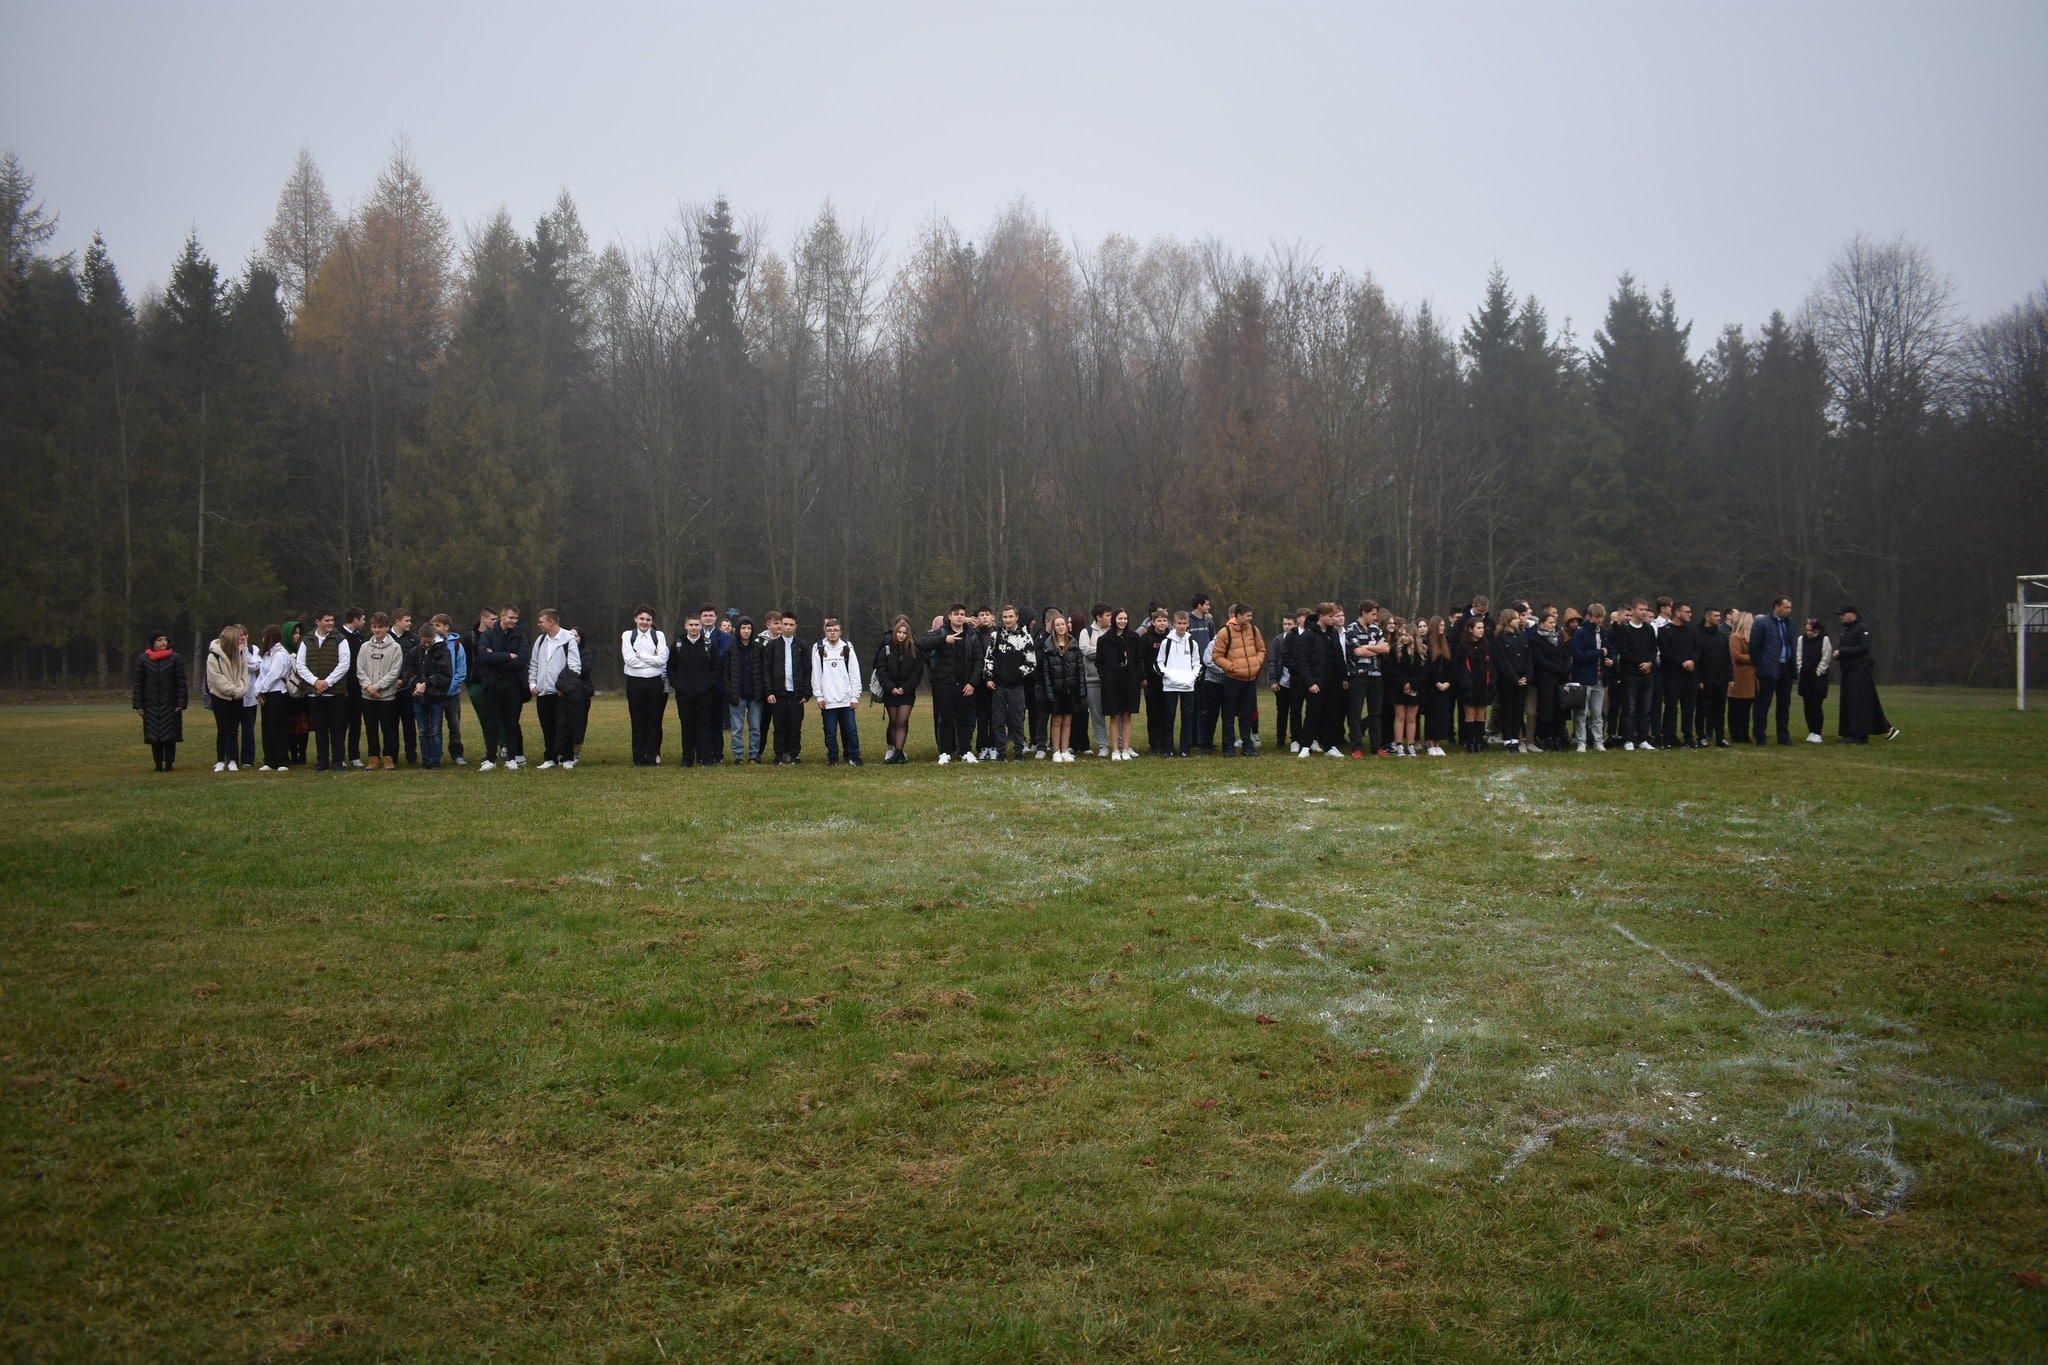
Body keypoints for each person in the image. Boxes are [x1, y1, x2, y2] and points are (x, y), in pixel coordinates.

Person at [294, 611, 354, 773]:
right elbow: (300, 665)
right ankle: (322, 761)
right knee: (320, 728)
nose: (330, 623)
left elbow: (344, 664)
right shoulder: (307, 640)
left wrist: (327, 682)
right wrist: (315, 682)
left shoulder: (340, 639)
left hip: (335, 693)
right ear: (317, 621)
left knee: (337, 727)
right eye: (327, 620)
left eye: (332, 620)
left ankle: (338, 761)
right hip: (315, 693)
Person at [1833, 605, 1898, 744]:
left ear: (1852, 614)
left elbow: (1864, 647)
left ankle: (1859, 734)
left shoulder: (1863, 628)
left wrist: (1842, 652)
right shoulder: (1847, 630)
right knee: (1852, 702)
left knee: (1858, 702)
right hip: (1848, 670)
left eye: (1843, 614)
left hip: (1859, 670)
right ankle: (1855, 733)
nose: (1841, 617)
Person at [527, 608, 582, 769]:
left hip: (561, 693)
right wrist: (533, 684)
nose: (539, 625)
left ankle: (566, 758)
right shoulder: (540, 641)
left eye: (541, 622)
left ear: (551, 622)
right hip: (543, 692)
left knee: (564, 726)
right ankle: (550, 758)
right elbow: (534, 664)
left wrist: (565, 687)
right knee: (547, 726)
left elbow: (574, 667)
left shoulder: (568, 640)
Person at [924, 605, 979, 764]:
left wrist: (972, 683)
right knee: (945, 720)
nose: (959, 617)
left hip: (966, 685)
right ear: (949, 616)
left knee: (965, 721)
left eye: (962, 614)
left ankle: (965, 751)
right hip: (944, 685)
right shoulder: (941, 632)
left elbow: (978, 661)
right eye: (956, 614)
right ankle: (945, 752)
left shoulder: (971, 635)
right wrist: (944, 640)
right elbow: (924, 644)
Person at [1211, 603, 1267, 757]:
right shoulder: (1225, 632)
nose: (1250, 618)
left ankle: (1247, 745)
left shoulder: (1254, 630)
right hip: (1232, 680)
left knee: (1246, 714)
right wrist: (1231, 667)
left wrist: (1256, 664)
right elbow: (1216, 656)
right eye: (1248, 616)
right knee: (1228, 715)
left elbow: (1261, 649)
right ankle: (1228, 746)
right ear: (1238, 616)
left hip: (1250, 680)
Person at [355, 612, 407, 769]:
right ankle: (373, 757)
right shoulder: (365, 647)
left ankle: (388, 757)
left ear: (387, 628)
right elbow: (360, 669)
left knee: (388, 728)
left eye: (380, 627)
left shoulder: (395, 647)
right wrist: (369, 688)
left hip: (386, 696)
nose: (377, 630)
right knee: (371, 728)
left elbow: (394, 672)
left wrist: (377, 687)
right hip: (367, 696)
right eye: (374, 627)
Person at [479, 606, 528, 770]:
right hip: (493, 685)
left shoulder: (520, 636)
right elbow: (484, 656)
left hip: (513, 686)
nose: (513, 621)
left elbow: (522, 660)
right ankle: (490, 759)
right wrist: (508, 656)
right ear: (502, 616)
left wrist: (496, 658)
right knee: (493, 723)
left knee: (511, 723)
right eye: (511, 618)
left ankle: (512, 759)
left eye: (516, 618)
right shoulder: (488, 634)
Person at [667, 616, 720, 766]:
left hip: (705, 694)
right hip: (684, 695)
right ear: (685, 626)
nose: (694, 627)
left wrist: (708, 685)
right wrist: (678, 685)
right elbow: (671, 668)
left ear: (701, 626)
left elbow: (716, 668)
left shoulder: (709, 645)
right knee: (687, 727)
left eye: (697, 625)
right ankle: (687, 759)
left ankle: (706, 758)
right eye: (691, 625)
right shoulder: (677, 645)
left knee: (704, 726)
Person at [132, 630, 188, 771]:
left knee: (170, 736)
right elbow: (138, 684)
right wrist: (138, 705)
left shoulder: (175, 658)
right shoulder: (143, 660)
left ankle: (169, 764)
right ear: (153, 643)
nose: (163, 642)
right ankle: (157, 764)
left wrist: (181, 703)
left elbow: (181, 683)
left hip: (170, 704)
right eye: (159, 640)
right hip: (150, 704)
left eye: (165, 639)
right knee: (154, 736)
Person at [873, 615, 925, 764]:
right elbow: (881, 670)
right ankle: (893, 751)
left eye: (904, 633)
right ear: (895, 633)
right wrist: (891, 688)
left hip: (907, 693)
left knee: (902, 721)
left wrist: (905, 688)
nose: (901, 635)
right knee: (894, 721)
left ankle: (899, 752)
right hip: (891, 692)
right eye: (899, 632)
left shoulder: (915, 650)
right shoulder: (886, 649)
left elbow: (918, 672)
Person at [621, 606, 669, 766]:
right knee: (638, 721)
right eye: (642, 619)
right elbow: (629, 660)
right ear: (635, 619)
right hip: (635, 683)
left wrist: (640, 656)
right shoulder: (628, 635)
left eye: (648, 619)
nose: (644, 622)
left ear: (652, 621)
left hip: (655, 683)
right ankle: (638, 757)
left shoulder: (658, 635)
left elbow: (661, 661)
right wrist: (651, 660)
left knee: (653, 721)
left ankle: (652, 756)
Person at [813, 617, 864, 766]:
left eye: (835, 630)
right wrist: (819, 696)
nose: (832, 633)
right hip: (828, 700)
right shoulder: (820, 650)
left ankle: (854, 756)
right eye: (829, 630)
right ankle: (832, 757)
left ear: (840, 632)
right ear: (825, 631)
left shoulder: (847, 649)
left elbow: (855, 674)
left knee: (851, 730)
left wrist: (854, 696)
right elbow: (816, 675)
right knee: (830, 732)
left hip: (846, 700)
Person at [1749, 596, 1799, 747]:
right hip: (1768, 669)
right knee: (1763, 705)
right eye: (1786, 607)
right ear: (1776, 607)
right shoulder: (1762, 623)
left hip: (1786, 668)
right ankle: (1760, 737)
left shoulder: (1790, 624)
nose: (1789, 610)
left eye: (1790, 607)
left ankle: (1783, 737)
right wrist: (1761, 664)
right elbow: (1754, 647)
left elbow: (1791, 645)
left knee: (1784, 705)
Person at [1039, 610, 1086, 763]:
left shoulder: (1073, 644)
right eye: (1057, 625)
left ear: (1067, 626)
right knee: (1057, 721)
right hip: (1056, 690)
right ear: (1053, 627)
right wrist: (1049, 692)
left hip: (1070, 689)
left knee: (1067, 721)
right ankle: (1056, 751)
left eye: (1063, 624)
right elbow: (1045, 672)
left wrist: (1081, 689)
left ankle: (1065, 750)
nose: (1060, 627)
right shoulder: (1048, 647)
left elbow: (1080, 668)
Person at [1342, 600, 1388, 757]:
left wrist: (1367, 647)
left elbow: (1386, 648)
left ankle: (1377, 747)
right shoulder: (1351, 629)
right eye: (1373, 614)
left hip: (1376, 676)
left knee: (1376, 713)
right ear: (1364, 612)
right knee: (1355, 713)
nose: (1375, 618)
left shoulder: (1376, 629)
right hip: (1358, 677)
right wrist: (1376, 649)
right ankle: (1356, 747)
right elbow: (1357, 652)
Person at [765, 612, 812, 765]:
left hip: (796, 694)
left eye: (791, 624)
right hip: (778, 693)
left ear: (795, 626)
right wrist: (769, 691)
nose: (787, 627)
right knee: (779, 726)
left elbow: (807, 670)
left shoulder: (802, 646)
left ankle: (793, 754)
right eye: (785, 624)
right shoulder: (772, 646)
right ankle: (779, 754)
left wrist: (806, 692)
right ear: (781, 625)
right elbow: (767, 670)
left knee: (795, 726)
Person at [1612, 600, 1657, 752]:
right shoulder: (1624, 630)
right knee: (1629, 709)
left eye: (1646, 609)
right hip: (1630, 674)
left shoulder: (1649, 629)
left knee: (1645, 708)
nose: (1644, 612)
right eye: (1641, 609)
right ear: (1633, 610)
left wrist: (1649, 663)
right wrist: (1640, 664)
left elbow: (1654, 649)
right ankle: (1628, 739)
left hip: (1647, 674)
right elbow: (1624, 651)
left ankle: (1643, 738)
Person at [1097, 609, 1142, 760]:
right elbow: (1099, 662)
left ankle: (1126, 749)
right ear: (1114, 620)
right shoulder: (1104, 640)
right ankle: (1115, 750)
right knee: (1115, 716)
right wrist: (1105, 677)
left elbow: (1139, 660)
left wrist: (1136, 676)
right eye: (1120, 618)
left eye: (1125, 618)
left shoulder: (1134, 638)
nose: (1123, 621)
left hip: (1129, 681)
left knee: (1127, 715)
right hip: (1112, 682)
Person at [1156, 610, 1202, 757]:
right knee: (1169, 718)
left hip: (1188, 687)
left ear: (1188, 624)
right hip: (1170, 686)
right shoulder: (1166, 642)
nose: (1182, 626)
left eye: (1184, 623)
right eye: (1179, 623)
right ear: (1174, 624)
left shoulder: (1192, 643)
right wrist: (1169, 676)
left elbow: (1197, 663)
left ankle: (1185, 749)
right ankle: (1168, 748)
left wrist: (1192, 677)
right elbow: (1159, 663)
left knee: (1187, 718)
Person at [1657, 603, 1702, 750]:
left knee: (1689, 708)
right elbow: (1665, 652)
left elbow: (1697, 648)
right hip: (1672, 675)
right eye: (1686, 612)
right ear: (1677, 613)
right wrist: (1682, 662)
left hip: (1689, 676)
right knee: (1671, 707)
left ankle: (1688, 737)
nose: (1690, 614)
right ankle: (1667, 738)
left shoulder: (1692, 630)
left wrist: (1692, 661)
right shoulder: (1665, 631)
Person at [203, 624, 247, 772]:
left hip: (237, 698)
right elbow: (216, 680)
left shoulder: (240, 653)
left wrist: (241, 690)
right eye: (237, 639)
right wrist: (234, 690)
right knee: (222, 729)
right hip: (220, 697)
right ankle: (220, 760)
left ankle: (233, 760)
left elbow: (244, 674)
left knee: (234, 730)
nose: (240, 641)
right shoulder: (213, 656)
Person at [412, 617, 453, 769]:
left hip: (436, 697)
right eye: (424, 642)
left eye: (429, 641)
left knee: (435, 730)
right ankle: (426, 760)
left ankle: (435, 760)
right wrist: (415, 683)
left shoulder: (443, 651)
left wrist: (426, 684)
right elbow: (408, 670)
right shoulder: (415, 651)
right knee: (422, 730)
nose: (427, 644)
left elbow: (445, 675)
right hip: (419, 698)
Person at [724, 617, 767, 763]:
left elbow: (764, 671)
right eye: (743, 628)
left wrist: (762, 691)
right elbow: (726, 673)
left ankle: (754, 755)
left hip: (755, 695)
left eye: (749, 628)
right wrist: (730, 691)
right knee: (737, 728)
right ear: (738, 630)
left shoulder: (759, 649)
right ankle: (738, 755)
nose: (746, 631)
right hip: (737, 694)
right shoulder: (731, 649)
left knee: (755, 727)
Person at [1528, 605, 1570, 753]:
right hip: (1545, 678)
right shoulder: (1536, 639)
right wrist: (1557, 668)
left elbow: (1565, 654)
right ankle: (1546, 737)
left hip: (1559, 679)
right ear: (1542, 623)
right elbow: (1539, 660)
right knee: (1546, 708)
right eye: (1550, 622)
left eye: (1554, 623)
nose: (1553, 625)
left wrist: (1566, 667)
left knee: (1558, 708)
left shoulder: (1559, 637)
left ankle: (1558, 736)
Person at [1491, 607, 1532, 755]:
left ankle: (1515, 739)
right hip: (1507, 681)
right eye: (1515, 618)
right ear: (1507, 621)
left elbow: (1528, 657)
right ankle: (1507, 740)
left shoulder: (1522, 636)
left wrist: (1527, 676)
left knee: (1518, 710)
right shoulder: (1500, 638)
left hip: (1522, 679)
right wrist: (1514, 678)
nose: (1518, 620)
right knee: (1507, 710)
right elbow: (1503, 661)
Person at [1569, 605, 1610, 753]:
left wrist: (1610, 659)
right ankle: (1581, 741)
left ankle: (1598, 741)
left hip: (1599, 678)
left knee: (1597, 713)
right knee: (1581, 712)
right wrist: (1598, 653)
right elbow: (1578, 656)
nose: (1599, 620)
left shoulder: (1603, 632)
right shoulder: (1580, 632)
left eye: (1602, 617)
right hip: (1584, 678)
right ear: (1590, 616)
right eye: (1597, 617)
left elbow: (1609, 649)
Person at [253, 625, 294, 771]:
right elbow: (262, 674)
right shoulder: (267, 655)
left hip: (278, 694)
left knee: (278, 728)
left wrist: (262, 689)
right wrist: (257, 691)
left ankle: (282, 760)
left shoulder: (281, 654)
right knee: (267, 728)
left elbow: (274, 675)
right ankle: (269, 760)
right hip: (267, 694)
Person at [466, 608, 501, 766]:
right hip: (476, 682)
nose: (495, 622)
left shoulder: (498, 635)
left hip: (494, 682)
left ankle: (505, 746)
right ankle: (490, 750)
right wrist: (468, 681)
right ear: (483, 619)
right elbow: (467, 659)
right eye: (492, 619)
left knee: (499, 716)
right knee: (484, 718)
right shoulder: (470, 637)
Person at [1385, 621, 1425, 757]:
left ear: (1413, 636)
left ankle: (1411, 745)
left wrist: (1412, 684)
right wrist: (1404, 683)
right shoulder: (1395, 650)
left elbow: (1424, 672)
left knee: (1411, 718)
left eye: (1406, 635)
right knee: (1400, 716)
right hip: (1399, 688)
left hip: (1415, 688)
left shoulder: (1423, 651)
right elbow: (1392, 670)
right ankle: (1399, 745)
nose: (1403, 637)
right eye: (1402, 635)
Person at [1455, 615, 1493, 754]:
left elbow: (1491, 666)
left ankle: (1479, 741)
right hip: (1469, 685)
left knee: (1481, 714)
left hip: (1483, 684)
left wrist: (1491, 682)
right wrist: (1464, 683)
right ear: (1470, 629)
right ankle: (1469, 742)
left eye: (1482, 628)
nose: (1481, 630)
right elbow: (1459, 667)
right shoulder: (1463, 647)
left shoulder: (1486, 646)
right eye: (1478, 628)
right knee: (1470, 714)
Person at [1077, 604, 1112, 758]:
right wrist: (1105, 650)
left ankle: (1121, 745)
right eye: (1108, 615)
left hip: (1112, 681)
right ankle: (1103, 746)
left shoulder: (1113, 631)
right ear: (1098, 617)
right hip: (1092, 681)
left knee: (1117, 714)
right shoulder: (1086, 632)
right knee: (1097, 716)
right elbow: (1085, 650)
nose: (1111, 618)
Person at [1187, 595, 1219, 752]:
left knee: (1204, 705)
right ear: (1199, 605)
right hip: (1190, 669)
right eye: (1207, 604)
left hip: (1206, 669)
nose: (1209, 607)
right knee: (1190, 705)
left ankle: (1203, 739)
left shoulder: (1208, 621)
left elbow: (1213, 642)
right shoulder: (1188, 620)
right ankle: (1190, 739)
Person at [1697, 609, 1733, 747]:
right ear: (1707, 617)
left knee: (1720, 709)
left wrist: (1729, 676)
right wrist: (1699, 678)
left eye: (1719, 616)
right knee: (1702, 709)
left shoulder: (1721, 635)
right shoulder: (1698, 634)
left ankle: (1720, 737)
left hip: (1720, 678)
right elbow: (1697, 658)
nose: (1719, 618)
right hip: (1705, 679)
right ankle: (1701, 736)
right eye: (1715, 616)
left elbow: (1727, 657)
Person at [1796, 617, 1833, 743]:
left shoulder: (1824, 639)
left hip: (1818, 678)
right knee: (1807, 706)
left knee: (1816, 705)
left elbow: (1826, 658)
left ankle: (1817, 732)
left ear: (1816, 630)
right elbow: (1799, 656)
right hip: (1805, 677)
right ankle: (1811, 731)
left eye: (1810, 630)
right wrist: (1800, 669)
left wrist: (1818, 672)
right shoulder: (1801, 640)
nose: (1808, 633)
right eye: (1806, 630)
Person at [390, 610, 421, 764]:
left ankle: (411, 756)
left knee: (409, 724)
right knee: (391, 725)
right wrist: (391, 681)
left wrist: (404, 679)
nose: (410, 623)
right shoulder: (386, 638)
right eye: (406, 620)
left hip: (407, 689)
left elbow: (415, 664)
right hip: (388, 690)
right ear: (397, 621)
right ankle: (392, 755)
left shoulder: (414, 639)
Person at [1421, 616, 1454, 757]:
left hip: (1445, 686)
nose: (1442, 628)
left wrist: (1448, 682)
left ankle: (1438, 743)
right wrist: (1436, 682)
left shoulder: (1447, 642)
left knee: (1442, 714)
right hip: (1431, 686)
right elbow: (1428, 667)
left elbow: (1451, 665)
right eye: (1440, 625)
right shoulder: (1426, 643)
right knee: (1432, 715)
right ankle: (1430, 743)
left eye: (1443, 625)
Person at [340, 607, 367, 768]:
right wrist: (342, 686)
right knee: (342, 723)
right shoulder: (339, 636)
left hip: (358, 687)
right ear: (355, 620)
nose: (364, 622)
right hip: (344, 688)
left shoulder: (359, 637)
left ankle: (354, 755)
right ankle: (339, 756)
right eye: (363, 619)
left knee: (356, 722)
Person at [1727, 610, 1757, 747]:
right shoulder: (1736, 637)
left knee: (1746, 708)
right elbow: (1736, 656)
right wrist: (1754, 658)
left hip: (1751, 677)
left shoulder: (1752, 639)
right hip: (1741, 676)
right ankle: (1737, 733)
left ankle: (1744, 733)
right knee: (1738, 707)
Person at [238, 626, 261, 768]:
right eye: (240, 635)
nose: (243, 638)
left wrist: (245, 651)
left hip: (250, 696)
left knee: (248, 729)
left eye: (244, 634)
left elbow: (255, 666)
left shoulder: (253, 649)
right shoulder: (230, 650)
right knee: (231, 729)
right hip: (234, 695)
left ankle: (247, 759)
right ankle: (231, 757)